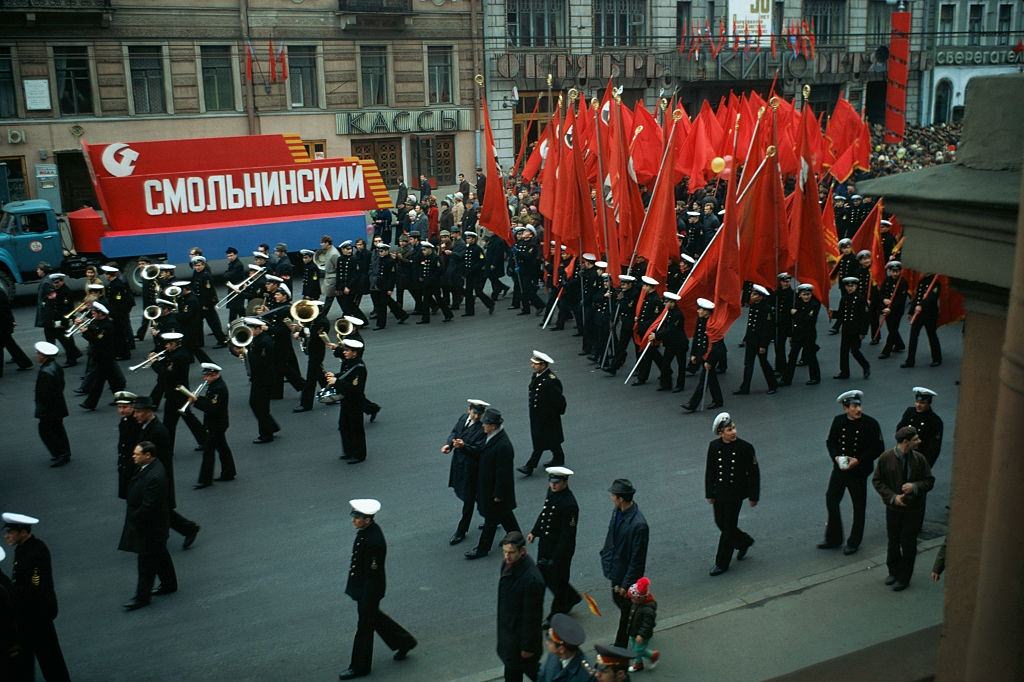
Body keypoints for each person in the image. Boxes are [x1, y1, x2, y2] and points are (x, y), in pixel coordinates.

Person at [338, 499, 417, 680]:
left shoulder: (374, 541)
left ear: (367, 519)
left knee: (364, 628)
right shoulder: (366, 531)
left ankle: (360, 667)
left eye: (357, 517)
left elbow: (372, 575)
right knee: (375, 619)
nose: (353, 520)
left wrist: (366, 598)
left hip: (369, 591)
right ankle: (405, 641)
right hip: (363, 588)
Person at [2, 513, 70, 680]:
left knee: (50, 658)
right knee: (29, 660)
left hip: (37, 614)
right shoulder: (24, 548)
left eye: (11, 532)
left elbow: (36, 582)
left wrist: (15, 594)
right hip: (29, 615)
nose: (6, 536)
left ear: (23, 532)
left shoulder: (36, 551)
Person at [819, 390, 884, 555]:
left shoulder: (870, 424)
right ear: (845, 408)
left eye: (859, 405)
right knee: (831, 500)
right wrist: (835, 457)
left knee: (858, 506)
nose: (858, 410)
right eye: (854, 406)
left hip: (859, 472)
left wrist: (859, 460)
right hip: (840, 469)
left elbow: (878, 448)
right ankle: (833, 538)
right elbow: (831, 441)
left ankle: (854, 541)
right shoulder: (839, 421)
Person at [132, 397, 202, 550]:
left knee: (161, 509)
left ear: (148, 412)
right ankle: (187, 528)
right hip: (155, 477)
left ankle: (188, 528)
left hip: (158, 478)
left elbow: (161, 460)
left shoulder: (158, 431)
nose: (135, 415)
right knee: (161, 509)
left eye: (138, 412)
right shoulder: (148, 426)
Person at [872, 426, 935, 591]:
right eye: (916, 439)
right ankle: (893, 571)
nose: (919, 442)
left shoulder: (919, 459)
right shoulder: (886, 458)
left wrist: (914, 486)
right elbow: (877, 481)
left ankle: (904, 578)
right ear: (905, 442)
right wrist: (893, 497)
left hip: (914, 509)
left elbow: (929, 481)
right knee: (893, 541)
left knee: (908, 543)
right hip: (894, 509)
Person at [118, 442, 176, 611]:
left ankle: (142, 596)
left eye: (137, 454)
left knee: (145, 562)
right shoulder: (150, 468)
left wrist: (134, 519)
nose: (133, 456)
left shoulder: (154, 477)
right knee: (160, 554)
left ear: (148, 455)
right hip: (156, 525)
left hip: (151, 527)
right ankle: (169, 584)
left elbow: (148, 506)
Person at [704, 412, 760, 576]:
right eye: (729, 430)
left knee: (727, 528)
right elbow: (710, 471)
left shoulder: (745, 447)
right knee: (720, 522)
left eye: (734, 428)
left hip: (736, 494)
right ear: (721, 432)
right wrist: (710, 492)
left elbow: (754, 473)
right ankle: (744, 541)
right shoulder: (714, 447)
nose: (733, 432)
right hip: (720, 492)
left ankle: (721, 563)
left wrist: (753, 495)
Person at [465, 408, 522, 560]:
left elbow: (503, 474)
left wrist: (498, 494)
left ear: (494, 426)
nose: (483, 425)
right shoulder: (491, 436)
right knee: (505, 516)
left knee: (491, 520)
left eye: (485, 424)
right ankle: (517, 537)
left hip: (496, 492)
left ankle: (482, 548)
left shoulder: (503, 445)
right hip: (490, 488)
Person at [527, 467, 581, 624]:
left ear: (565, 482)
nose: (553, 485)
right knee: (546, 576)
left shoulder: (569, 504)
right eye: (551, 482)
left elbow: (567, 535)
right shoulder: (552, 492)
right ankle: (571, 597)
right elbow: (545, 513)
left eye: (556, 483)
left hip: (560, 550)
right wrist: (535, 531)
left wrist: (557, 558)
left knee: (558, 581)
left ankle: (556, 613)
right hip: (546, 544)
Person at [600, 479, 649, 648]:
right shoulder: (618, 511)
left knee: (627, 610)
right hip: (616, 569)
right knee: (621, 604)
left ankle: (621, 645)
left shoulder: (639, 525)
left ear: (621, 498)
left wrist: (626, 584)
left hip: (626, 576)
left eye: (613, 495)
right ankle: (641, 623)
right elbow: (611, 536)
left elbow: (637, 560)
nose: (611, 497)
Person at [496, 531, 545, 682]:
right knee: (514, 672)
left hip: (520, 642)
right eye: (504, 552)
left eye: (511, 552)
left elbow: (532, 617)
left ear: (522, 551)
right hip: (510, 636)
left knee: (531, 672)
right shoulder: (509, 564)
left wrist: (528, 647)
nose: (506, 556)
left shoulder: (531, 580)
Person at [443, 399, 488, 545]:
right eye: (474, 413)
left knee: (468, 499)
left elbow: (479, 450)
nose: (476, 417)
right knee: (477, 497)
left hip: (472, 468)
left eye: (479, 414)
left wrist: (464, 446)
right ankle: (493, 517)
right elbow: (455, 432)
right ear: (469, 410)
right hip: (460, 465)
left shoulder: (483, 428)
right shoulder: (463, 418)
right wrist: (449, 445)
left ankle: (461, 531)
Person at [519, 351, 567, 475]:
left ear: (543, 365)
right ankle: (559, 457)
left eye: (536, 364)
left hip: (547, 416)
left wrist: (553, 414)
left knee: (539, 440)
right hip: (537, 414)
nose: (532, 366)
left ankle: (530, 466)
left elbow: (559, 399)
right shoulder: (537, 375)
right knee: (551, 438)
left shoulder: (551, 380)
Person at [189, 363, 236, 488]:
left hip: (216, 424)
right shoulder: (214, 385)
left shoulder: (218, 388)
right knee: (222, 448)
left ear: (215, 374)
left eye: (208, 376)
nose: (205, 379)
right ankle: (229, 472)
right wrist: (198, 398)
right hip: (217, 423)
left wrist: (196, 401)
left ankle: (205, 479)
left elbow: (212, 408)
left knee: (208, 451)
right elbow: (210, 402)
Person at [237, 317, 280, 444]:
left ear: (258, 329)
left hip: (264, 378)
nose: (248, 331)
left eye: (251, 328)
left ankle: (266, 434)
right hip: (259, 377)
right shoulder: (255, 339)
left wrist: (246, 353)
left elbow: (261, 362)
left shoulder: (265, 342)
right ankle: (271, 427)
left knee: (259, 406)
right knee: (259, 405)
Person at [327, 339, 369, 464]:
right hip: (346, 400)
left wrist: (337, 381)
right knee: (344, 426)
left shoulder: (360, 368)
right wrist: (334, 375)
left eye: (347, 350)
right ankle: (349, 451)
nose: (344, 352)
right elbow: (345, 375)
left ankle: (359, 454)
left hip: (355, 402)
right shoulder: (349, 363)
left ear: (355, 353)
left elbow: (355, 388)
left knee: (356, 428)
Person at [33, 341, 72, 468]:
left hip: (49, 409)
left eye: (38, 353)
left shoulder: (45, 372)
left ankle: (59, 453)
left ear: (44, 356)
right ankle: (65, 452)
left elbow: (44, 394)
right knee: (58, 429)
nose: (36, 355)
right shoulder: (55, 366)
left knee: (46, 431)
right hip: (58, 405)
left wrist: (42, 408)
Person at [734, 284, 778, 395]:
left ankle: (773, 385)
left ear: (761, 297)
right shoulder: (754, 306)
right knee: (748, 364)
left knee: (764, 364)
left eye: (754, 294)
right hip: (751, 340)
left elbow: (767, 329)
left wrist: (763, 345)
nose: (752, 296)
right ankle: (745, 387)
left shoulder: (766, 309)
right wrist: (746, 338)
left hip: (760, 342)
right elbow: (751, 326)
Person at [682, 298, 725, 412]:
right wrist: (694, 354)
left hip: (713, 354)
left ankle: (692, 404)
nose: (698, 311)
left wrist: (709, 361)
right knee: (711, 378)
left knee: (703, 380)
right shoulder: (701, 320)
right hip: (703, 352)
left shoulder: (713, 324)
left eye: (701, 309)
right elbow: (697, 338)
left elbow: (715, 345)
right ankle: (718, 400)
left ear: (707, 311)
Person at [779, 283, 821, 386]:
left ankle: (815, 377)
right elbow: (792, 321)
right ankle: (786, 379)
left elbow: (807, 319)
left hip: (808, 334)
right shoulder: (796, 303)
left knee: (811, 357)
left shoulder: (813, 305)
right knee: (792, 357)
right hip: (797, 335)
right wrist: (791, 334)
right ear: (800, 295)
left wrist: (796, 313)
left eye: (808, 294)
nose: (806, 297)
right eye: (804, 294)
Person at [901, 273, 942, 368]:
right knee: (913, 336)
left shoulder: (936, 282)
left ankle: (937, 359)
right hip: (918, 314)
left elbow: (932, 297)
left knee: (932, 336)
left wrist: (922, 306)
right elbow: (917, 297)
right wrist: (911, 311)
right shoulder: (922, 281)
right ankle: (910, 361)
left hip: (929, 314)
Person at [834, 277, 871, 380]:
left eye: (852, 286)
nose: (850, 288)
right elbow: (842, 314)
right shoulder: (844, 298)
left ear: (856, 286)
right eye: (848, 286)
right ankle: (844, 372)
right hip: (846, 328)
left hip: (856, 329)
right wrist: (832, 314)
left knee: (855, 350)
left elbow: (865, 317)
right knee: (843, 351)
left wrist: (863, 332)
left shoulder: (860, 299)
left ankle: (865, 366)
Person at [896, 387, 944, 467]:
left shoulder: (935, 421)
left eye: (922, 403)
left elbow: (934, 448)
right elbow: (899, 429)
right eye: (917, 402)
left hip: (919, 459)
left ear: (929, 403)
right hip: (903, 453)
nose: (918, 405)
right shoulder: (909, 412)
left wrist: (926, 466)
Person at [538, 613, 590, 682]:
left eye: (550, 642)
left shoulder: (583, 675)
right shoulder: (553, 655)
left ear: (561, 649)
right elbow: (541, 676)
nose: (546, 643)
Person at [624, 577, 659, 673]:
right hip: (634, 631)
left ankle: (645, 660)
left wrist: (642, 635)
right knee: (637, 648)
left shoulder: (648, 610)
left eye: (633, 599)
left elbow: (648, 624)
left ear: (640, 599)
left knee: (638, 650)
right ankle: (646, 659)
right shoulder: (638, 602)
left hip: (641, 634)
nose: (631, 600)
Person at [0, 285, 33, 376]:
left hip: (2, 325)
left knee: (8, 345)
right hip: (5, 324)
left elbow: (4, 311)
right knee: (11, 344)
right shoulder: (1, 292)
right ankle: (25, 363)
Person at [878, 260, 908, 359]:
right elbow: (881, 292)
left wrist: (891, 308)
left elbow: (901, 299)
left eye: (897, 271)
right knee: (891, 328)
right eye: (893, 271)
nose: (895, 273)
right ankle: (900, 344)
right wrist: (884, 300)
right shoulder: (887, 280)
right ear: (889, 271)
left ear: (900, 271)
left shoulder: (903, 282)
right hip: (887, 308)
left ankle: (887, 351)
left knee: (892, 330)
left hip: (896, 310)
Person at [114, 390, 140, 499]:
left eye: (125, 407)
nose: (121, 410)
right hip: (126, 463)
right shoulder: (124, 421)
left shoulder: (137, 422)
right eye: (119, 407)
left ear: (133, 406)